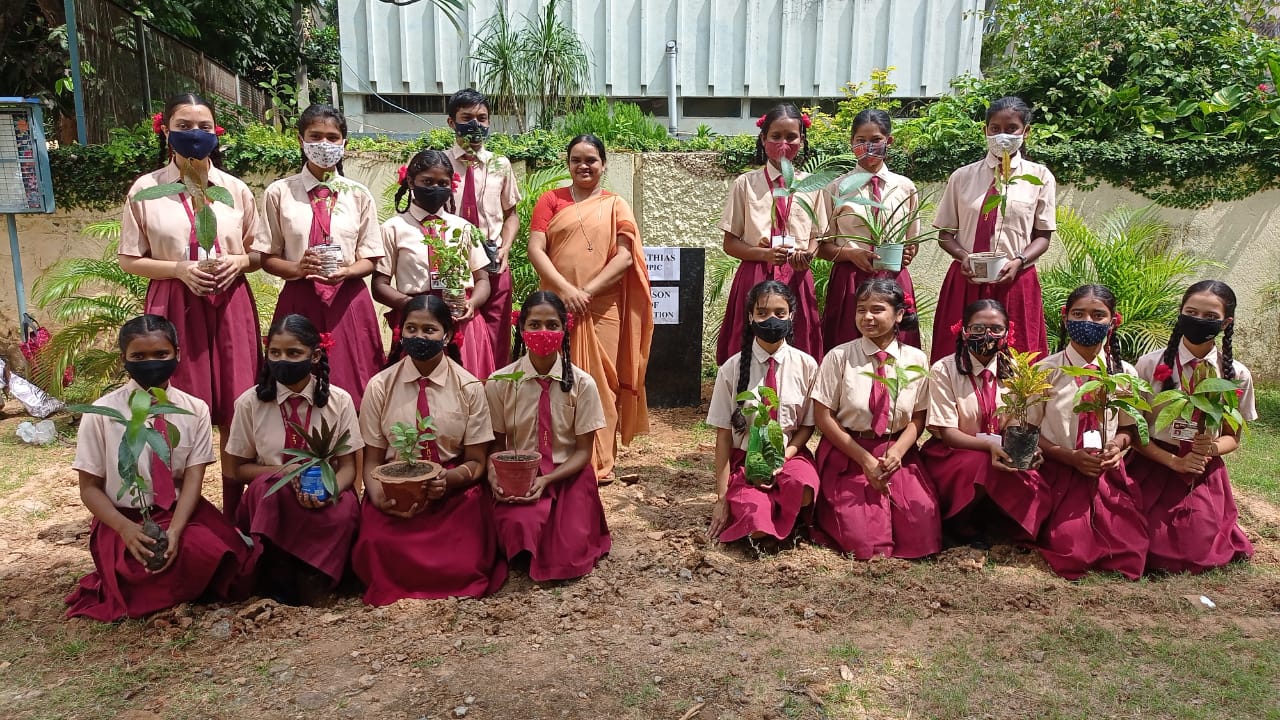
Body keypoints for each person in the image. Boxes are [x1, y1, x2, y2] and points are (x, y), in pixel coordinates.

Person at [118, 92, 264, 518]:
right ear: (166, 130)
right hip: (175, 303)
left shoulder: (235, 189)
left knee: (237, 405)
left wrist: (237, 261)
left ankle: (239, 513)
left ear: (216, 133)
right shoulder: (146, 190)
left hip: (231, 301)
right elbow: (129, 258)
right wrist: (179, 270)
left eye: (204, 126)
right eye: (184, 126)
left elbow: (258, 252)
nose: (195, 135)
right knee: (179, 403)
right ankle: (179, 511)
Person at [66, 315, 255, 621]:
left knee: (216, 554)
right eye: (138, 356)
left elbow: (194, 479)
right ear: (123, 359)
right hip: (125, 517)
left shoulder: (194, 409)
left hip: (180, 511)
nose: (150, 363)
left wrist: (177, 530)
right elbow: (89, 488)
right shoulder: (101, 414)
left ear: (177, 354)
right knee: (138, 563)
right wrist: (125, 529)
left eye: (161, 355)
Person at [352, 295, 505, 604]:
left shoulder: (470, 388)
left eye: (429, 330)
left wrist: (448, 482)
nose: (418, 337)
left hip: (452, 494)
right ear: (400, 333)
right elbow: (371, 460)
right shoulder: (380, 386)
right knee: (375, 544)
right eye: (411, 329)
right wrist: (380, 499)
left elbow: (476, 461)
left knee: (465, 561)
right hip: (395, 489)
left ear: (447, 335)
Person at [528, 134, 652, 484]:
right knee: (557, 380)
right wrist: (566, 292)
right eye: (576, 160)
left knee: (602, 384)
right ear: (567, 164)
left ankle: (599, 462)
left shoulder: (616, 205)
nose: (584, 166)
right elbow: (536, 249)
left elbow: (626, 256)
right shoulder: (550, 200)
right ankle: (559, 456)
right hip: (556, 309)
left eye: (591, 160)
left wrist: (585, 292)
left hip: (601, 307)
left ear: (603, 163)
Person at [224, 314, 363, 605]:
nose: (283, 359)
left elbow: (348, 466)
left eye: (294, 353)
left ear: (314, 355)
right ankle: (279, 577)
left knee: (343, 508)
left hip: (325, 485)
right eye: (275, 352)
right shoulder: (250, 403)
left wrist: (329, 489)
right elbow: (237, 469)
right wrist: (287, 471)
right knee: (267, 490)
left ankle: (318, 576)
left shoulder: (340, 401)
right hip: (274, 489)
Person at [259, 104, 385, 407]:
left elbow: (370, 257)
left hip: (348, 299)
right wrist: (297, 267)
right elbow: (267, 257)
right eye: (315, 136)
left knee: (356, 379)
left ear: (344, 143)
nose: (324, 145)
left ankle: (355, 448)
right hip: (300, 297)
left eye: (332, 137)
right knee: (296, 376)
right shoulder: (279, 193)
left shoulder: (358, 194)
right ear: (301, 140)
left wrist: (348, 271)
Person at [1130, 280, 1255, 573]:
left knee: (1194, 552)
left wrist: (1207, 449)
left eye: (1211, 317)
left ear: (1227, 322)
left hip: (1201, 469)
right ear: (1181, 313)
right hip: (1153, 464)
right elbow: (1136, 432)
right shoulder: (1150, 365)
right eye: (1191, 312)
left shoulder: (1235, 374)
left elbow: (1232, 438)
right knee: (1146, 543)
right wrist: (1175, 461)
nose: (1199, 321)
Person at [809, 279, 940, 559]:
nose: (867, 317)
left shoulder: (915, 359)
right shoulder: (840, 356)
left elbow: (918, 417)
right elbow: (823, 416)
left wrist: (898, 451)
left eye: (877, 310)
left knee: (922, 536)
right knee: (865, 545)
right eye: (861, 310)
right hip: (849, 453)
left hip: (896, 454)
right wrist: (865, 459)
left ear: (899, 315)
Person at [485, 291, 611, 580]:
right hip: (517, 475)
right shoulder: (500, 382)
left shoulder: (583, 384)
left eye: (552, 325)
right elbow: (496, 444)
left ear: (565, 327)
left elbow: (582, 452)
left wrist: (548, 479)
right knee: (517, 522)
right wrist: (495, 475)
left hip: (568, 475)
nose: (544, 332)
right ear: (521, 328)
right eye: (535, 324)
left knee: (569, 549)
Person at [1029, 284, 1148, 580]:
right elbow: (1027, 430)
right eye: (1078, 314)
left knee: (1129, 547)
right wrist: (1068, 456)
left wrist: (1116, 448)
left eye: (1098, 316)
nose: (1088, 322)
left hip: (1104, 471)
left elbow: (1127, 428)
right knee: (1072, 547)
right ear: (1065, 317)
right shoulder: (1045, 371)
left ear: (1113, 321)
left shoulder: (1124, 374)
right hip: (1057, 469)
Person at [930, 96, 1056, 364]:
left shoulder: (1039, 177)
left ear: (1026, 131)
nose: (1002, 136)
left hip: (1015, 281)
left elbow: (1043, 236)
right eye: (995, 128)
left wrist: (1019, 261)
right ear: (985, 130)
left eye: (1011, 129)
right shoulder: (962, 177)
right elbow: (945, 234)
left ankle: (1015, 407)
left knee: (1015, 358)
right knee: (957, 356)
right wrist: (965, 257)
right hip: (967, 280)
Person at [921, 299, 1050, 545]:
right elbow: (948, 433)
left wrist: (1023, 448)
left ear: (1007, 332)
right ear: (964, 330)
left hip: (1000, 448)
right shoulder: (944, 370)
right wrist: (989, 448)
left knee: (1032, 481)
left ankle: (998, 525)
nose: (987, 335)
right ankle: (959, 523)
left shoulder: (1017, 371)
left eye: (996, 329)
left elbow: (1017, 424)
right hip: (953, 453)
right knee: (982, 465)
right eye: (978, 329)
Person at [706, 280, 820, 548]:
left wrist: (785, 457)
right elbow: (723, 438)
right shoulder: (731, 370)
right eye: (762, 313)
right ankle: (764, 510)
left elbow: (807, 426)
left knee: (802, 488)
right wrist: (721, 498)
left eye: (780, 314)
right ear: (750, 317)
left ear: (792, 316)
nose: (771, 319)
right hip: (746, 460)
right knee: (757, 529)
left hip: (789, 455)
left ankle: (783, 507)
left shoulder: (807, 365)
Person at [717, 104, 827, 363]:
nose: (784, 143)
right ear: (763, 138)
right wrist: (763, 254)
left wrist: (808, 255)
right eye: (776, 136)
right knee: (750, 342)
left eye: (791, 137)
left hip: (797, 277)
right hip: (756, 273)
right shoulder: (746, 184)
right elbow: (730, 243)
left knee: (798, 342)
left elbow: (818, 237)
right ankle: (744, 395)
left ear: (802, 139)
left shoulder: (813, 186)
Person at [373, 149, 494, 380]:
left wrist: (472, 304)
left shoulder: (464, 227)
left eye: (443, 183)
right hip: (419, 323)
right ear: (410, 181)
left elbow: (482, 280)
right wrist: (413, 306)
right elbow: (380, 285)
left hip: (461, 320)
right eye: (427, 181)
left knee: (466, 388)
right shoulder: (393, 228)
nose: (435, 188)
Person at [820, 109, 922, 351]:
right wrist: (850, 254)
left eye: (876, 140)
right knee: (847, 347)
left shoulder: (905, 187)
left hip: (893, 278)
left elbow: (912, 240)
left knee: (898, 346)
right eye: (861, 141)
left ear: (889, 141)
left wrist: (908, 254)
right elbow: (823, 246)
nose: (868, 146)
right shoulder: (837, 188)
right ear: (851, 143)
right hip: (851, 279)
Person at [445, 88, 522, 369]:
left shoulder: (500, 164)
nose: (475, 125)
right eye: (466, 117)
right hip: (453, 263)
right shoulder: (440, 164)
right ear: (452, 122)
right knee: (457, 336)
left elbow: (511, 214)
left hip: (493, 261)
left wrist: (506, 248)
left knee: (496, 336)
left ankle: (495, 400)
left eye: (482, 118)